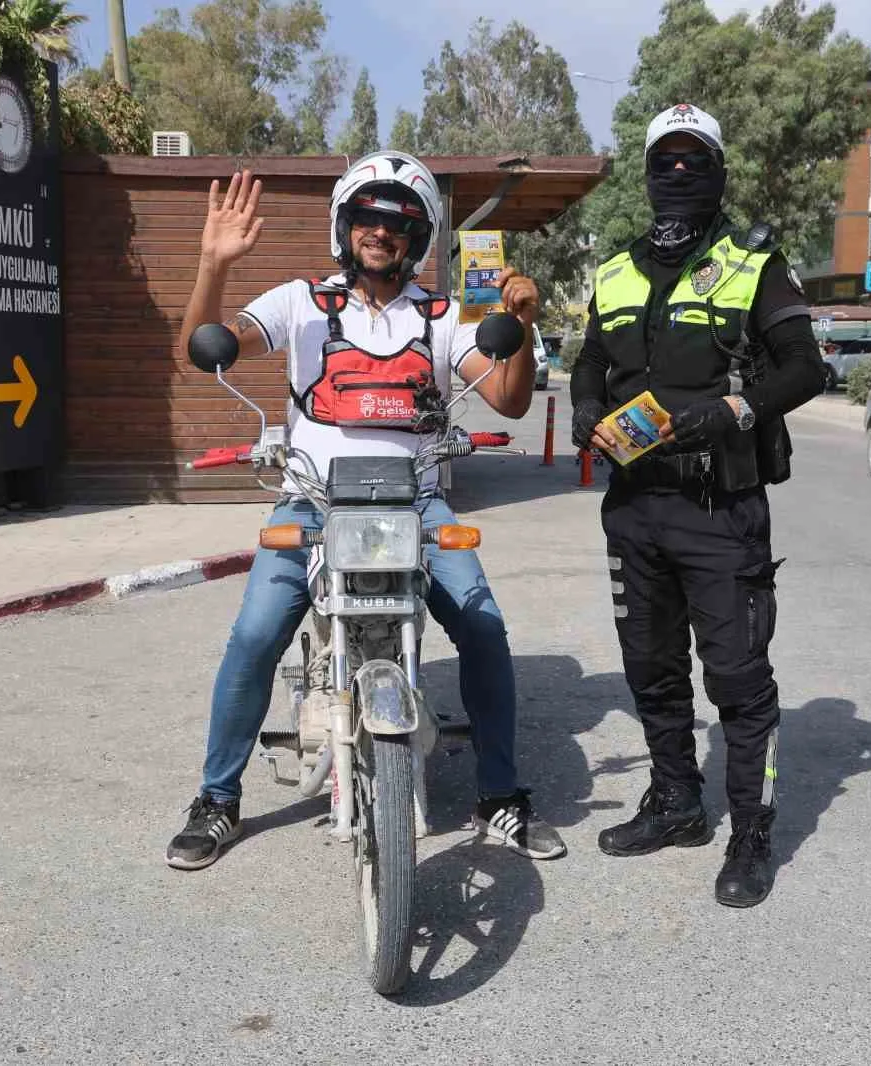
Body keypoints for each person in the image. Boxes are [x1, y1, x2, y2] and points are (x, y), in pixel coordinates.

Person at [166, 153, 567, 869]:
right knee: (254, 635)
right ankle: (217, 798)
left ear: (417, 239)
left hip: (418, 502)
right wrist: (213, 265)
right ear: (345, 226)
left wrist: (520, 323)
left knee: (483, 628)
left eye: (399, 223)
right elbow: (206, 350)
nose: (381, 233)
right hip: (312, 501)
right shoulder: (299, 303)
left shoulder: (442, 317)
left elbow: (508, 400)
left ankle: (499, 794)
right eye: (368, 219)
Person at [570, 103, 825, 908]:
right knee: (651, 670)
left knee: (738, 681)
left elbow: (806, 368)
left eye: (694, 161)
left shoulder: (754, 264)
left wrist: (736, 410)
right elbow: (589, 360)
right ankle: (676, 801)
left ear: (718, 173)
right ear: (648, 174)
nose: (678, 173)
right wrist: (585, 409)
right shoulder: (615, 270)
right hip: (634, 505)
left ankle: (752, 831)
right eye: (665, 161)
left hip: (721, 508)